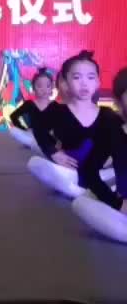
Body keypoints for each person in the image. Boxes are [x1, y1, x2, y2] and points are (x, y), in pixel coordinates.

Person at [27, 51, 116, 199]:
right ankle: (80, 190)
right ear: (65, 82)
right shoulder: (57, 110)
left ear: (97, 82)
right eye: (76, 77)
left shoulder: (107, 114)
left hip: (100, 172)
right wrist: (53, 152)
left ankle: (84, 190)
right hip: (70, 169)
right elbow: (39, 129)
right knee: (34, 163)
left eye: (90, 77)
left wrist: (111, 159)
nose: (84, 83)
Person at [72, 67, 127, 243]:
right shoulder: (112, 131)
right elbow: (88, 171)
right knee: (81, 203)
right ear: (119, 101)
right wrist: (117, 203)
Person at [9, 67, 60, 153]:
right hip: (33, 135)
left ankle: (41, 146)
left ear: (52, 88)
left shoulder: (56, 106)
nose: (44, 90)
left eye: (48, 86)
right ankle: (36, 145)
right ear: (33, 88)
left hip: (50, 138)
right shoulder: (29, 104)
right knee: (13, 131)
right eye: (39, 86)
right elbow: (13, 116)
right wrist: (25, 129)